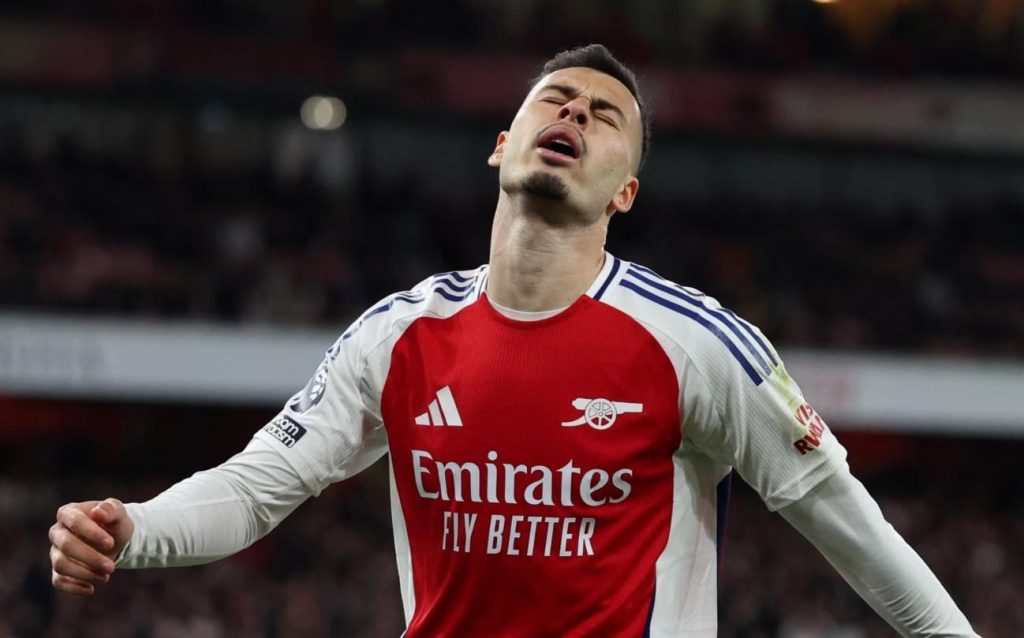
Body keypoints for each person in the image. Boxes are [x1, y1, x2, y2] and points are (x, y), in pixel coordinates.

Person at [49, 44, 978, 637]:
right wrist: (135, 531)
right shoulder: (398, 335)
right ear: (502, 144)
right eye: (556, 100)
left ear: (625, 193)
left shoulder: (698, 345)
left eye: (604, 115)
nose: (573, 114)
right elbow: (256, 489)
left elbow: (850, 526)